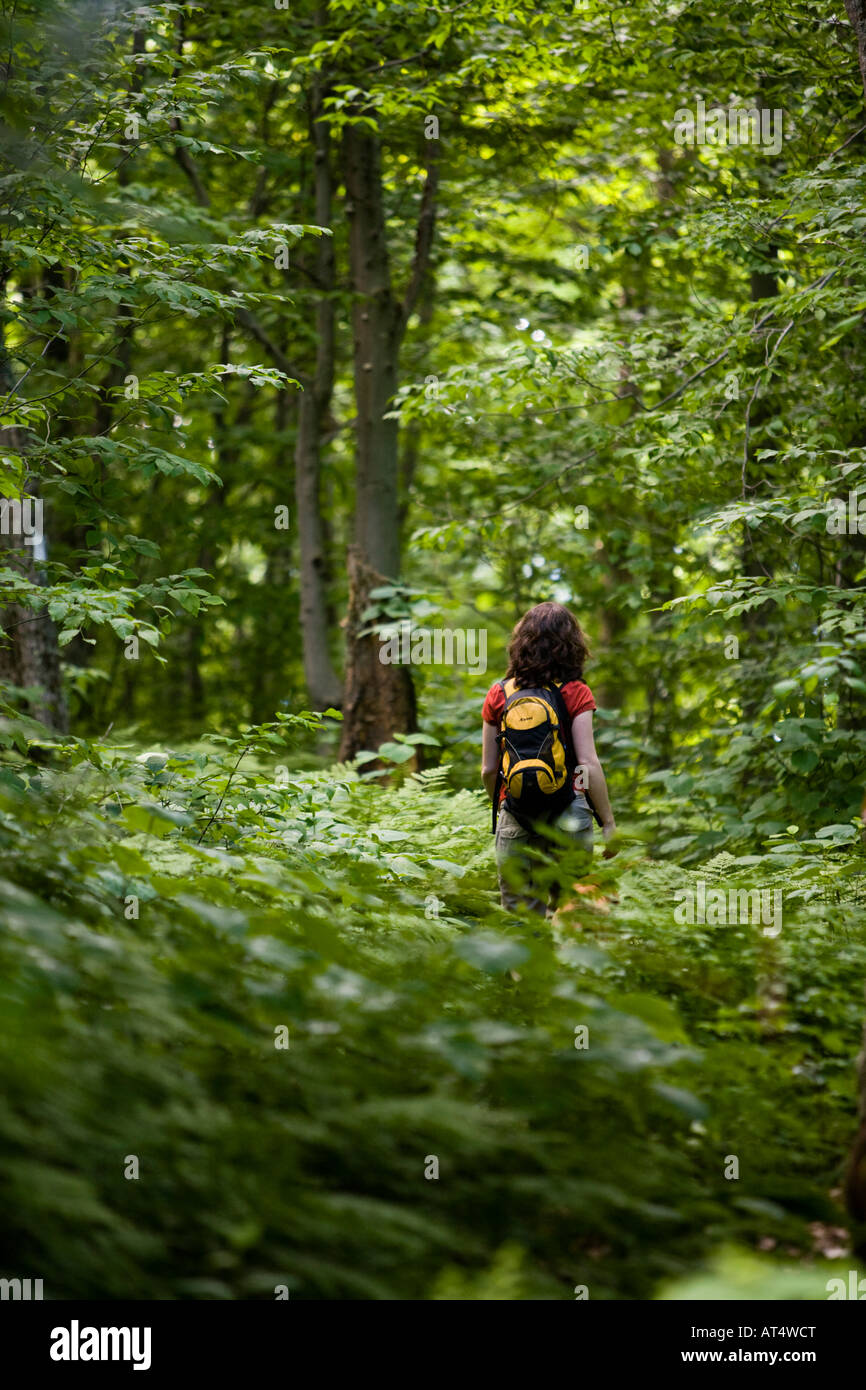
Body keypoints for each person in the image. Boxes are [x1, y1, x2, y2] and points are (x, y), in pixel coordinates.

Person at [481, 601, 617, 916]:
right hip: (570, 812)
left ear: (521, 644)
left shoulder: (498, 694)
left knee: (522, 921)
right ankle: (568, 964)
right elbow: (587, 763)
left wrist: (506, 803)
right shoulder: (576, 692)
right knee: (572, 913)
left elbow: (489, 769)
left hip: (516, 816)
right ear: (572, 646)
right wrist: (608, 823)